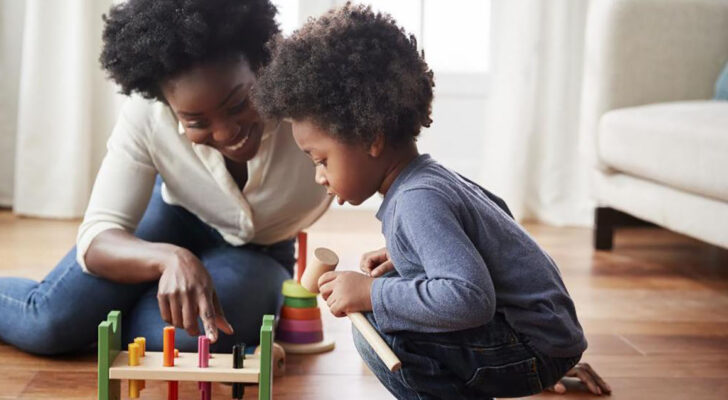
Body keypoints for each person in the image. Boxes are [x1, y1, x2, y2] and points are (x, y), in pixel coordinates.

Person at [0, 0, 330, 355]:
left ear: (262, 63)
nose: (226, 134)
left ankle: (101, 312)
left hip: (258, 250)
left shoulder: (316, 102)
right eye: (195, 120)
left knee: (185, 341)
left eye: (239, 103)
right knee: (48, 324)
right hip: (175, 216)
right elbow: (98, 235)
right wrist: (169, 258)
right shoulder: (146, 115)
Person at [252, 4, 609, 399]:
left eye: (321, 160)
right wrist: (406, 253)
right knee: (392, 284)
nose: (319, 176)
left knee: (379, 330)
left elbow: (471, 299)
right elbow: (493, 236)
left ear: (372, 136)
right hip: (547, 336)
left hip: (531, 348)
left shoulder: (417, 200)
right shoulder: (430, 179)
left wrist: (370, 294)